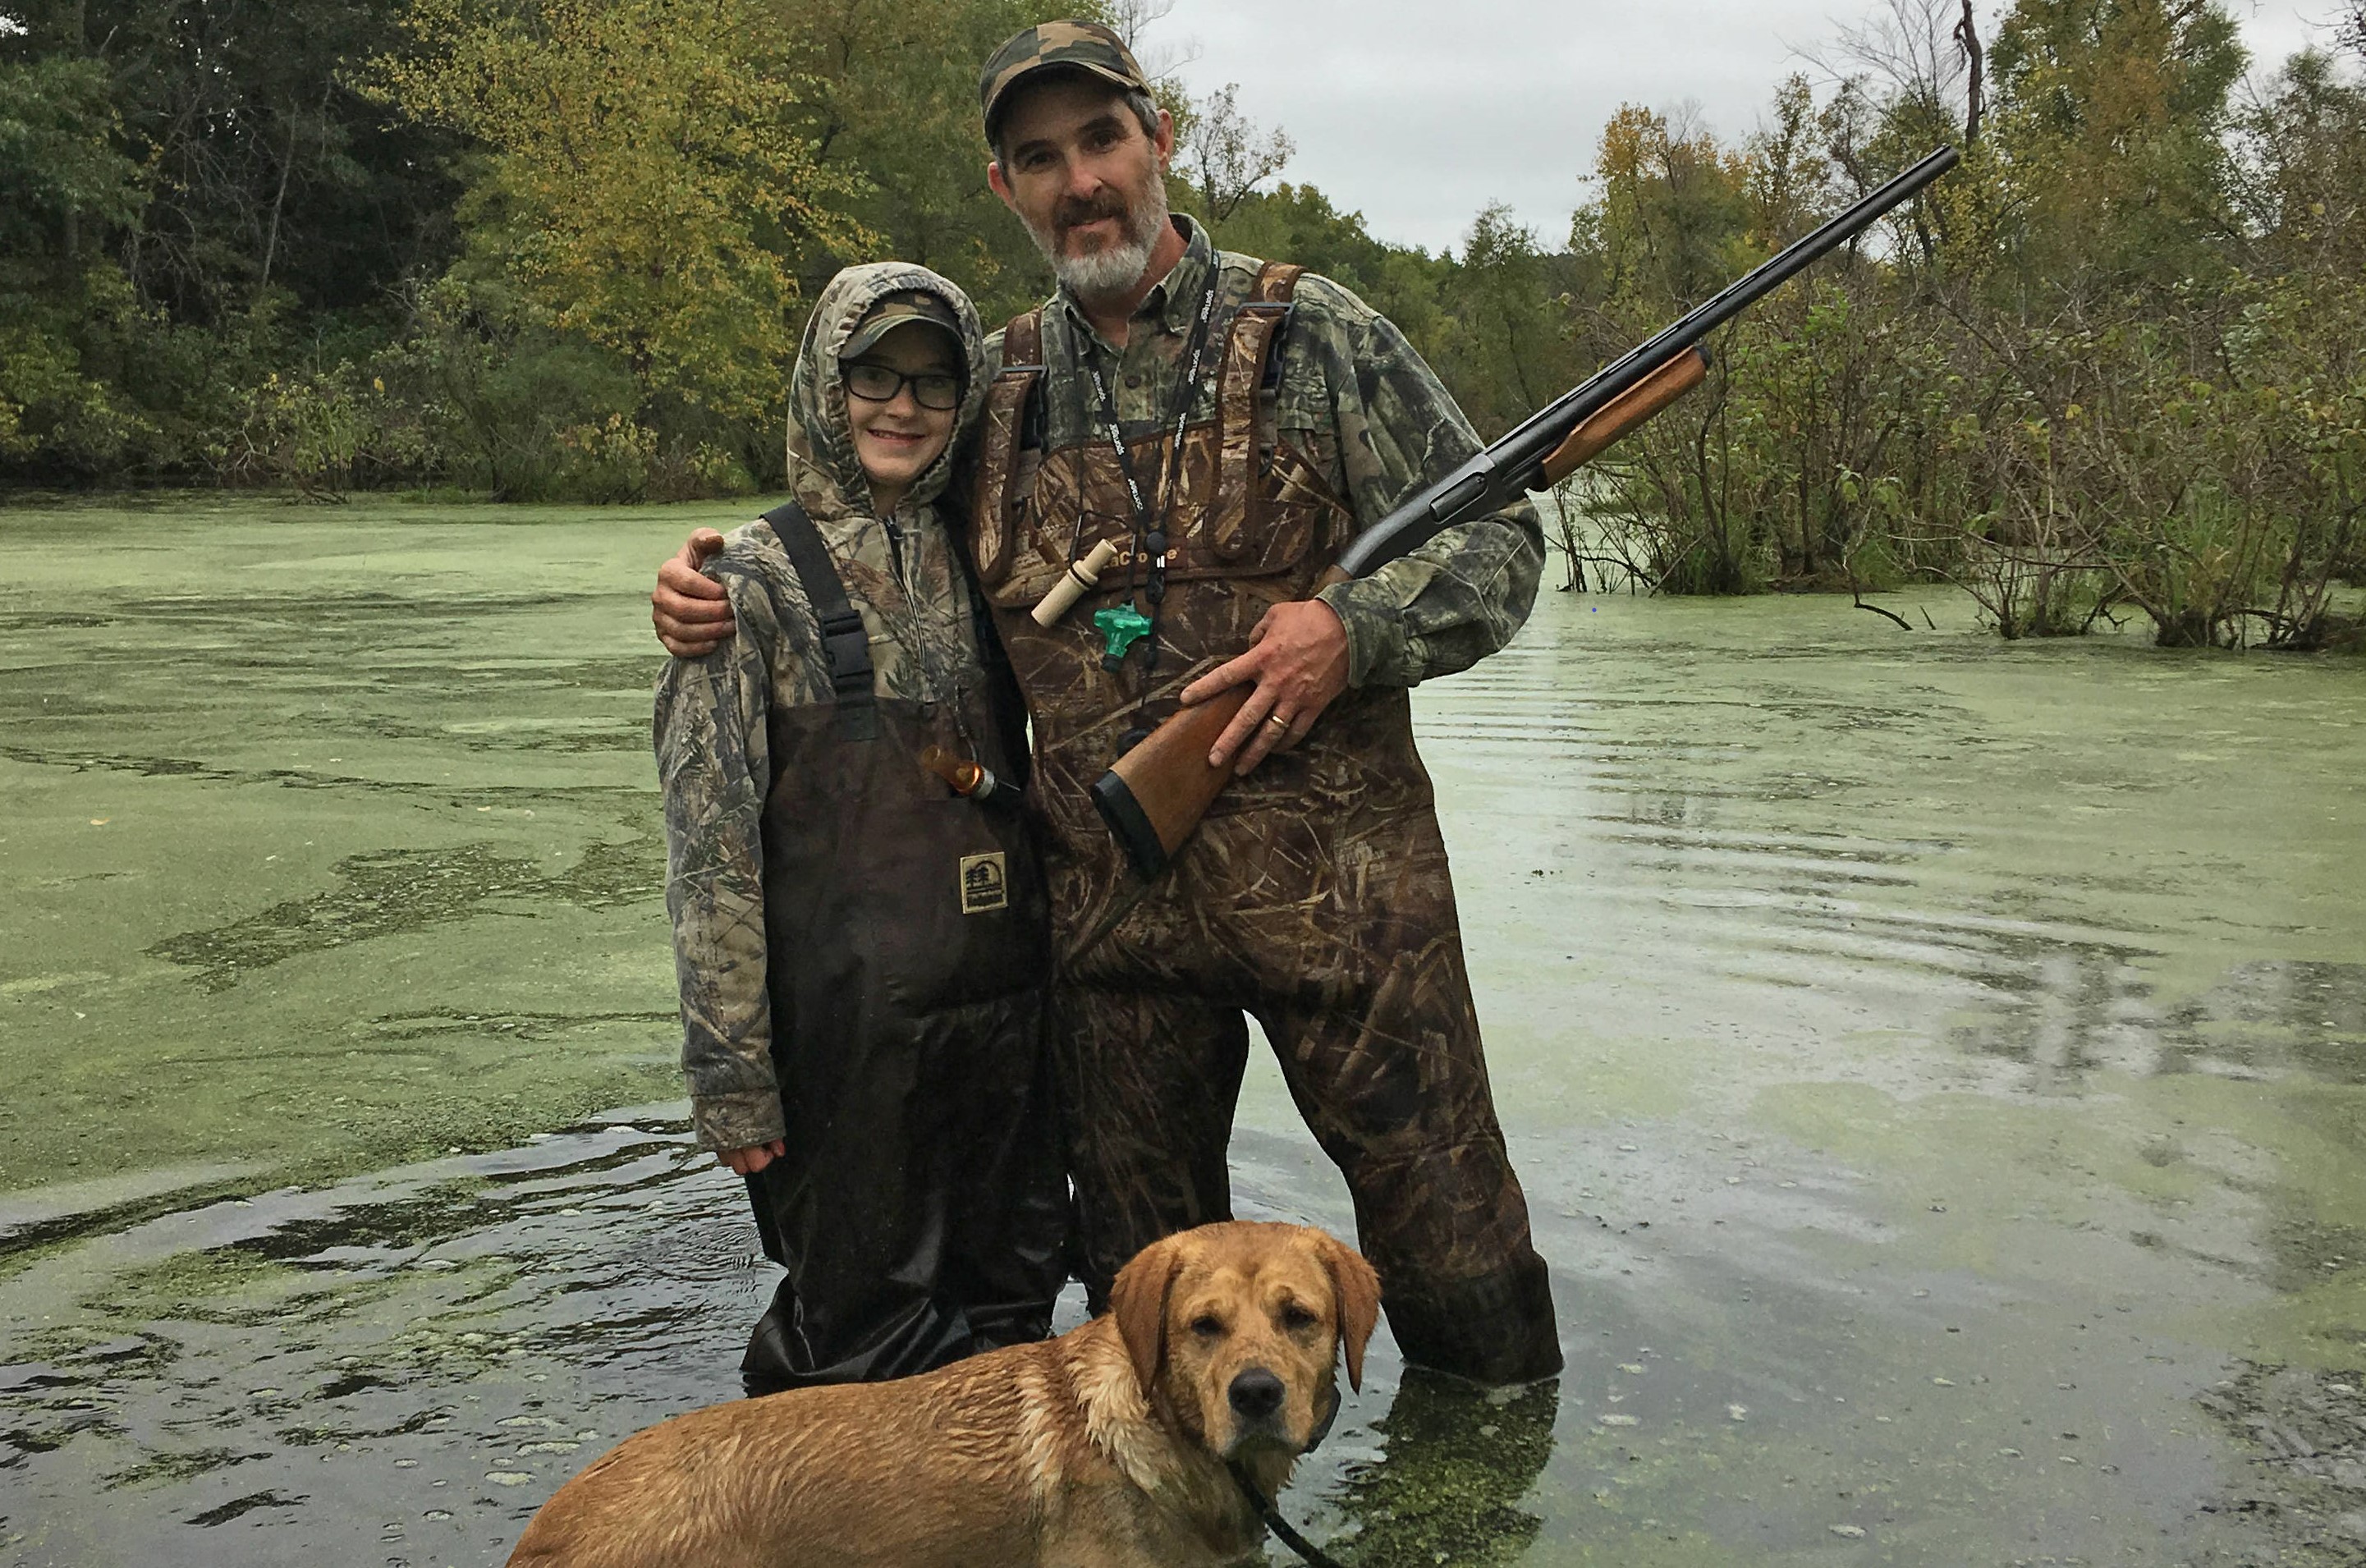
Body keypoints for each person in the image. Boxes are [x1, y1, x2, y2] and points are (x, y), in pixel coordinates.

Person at [655, 21, 1561, 1385]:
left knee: (1465, 1287)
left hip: (1355, 926)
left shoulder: (1312, 332)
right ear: (1002, 189)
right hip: (1113, 945)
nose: (1078, 180)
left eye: (1099, 140)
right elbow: (869, 504)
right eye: (1039, 156)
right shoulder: (993, 389)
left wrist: (1350, 631)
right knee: (1146, 1336)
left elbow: (1502, 543)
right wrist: (711, 582)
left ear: (1160, 140)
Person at [655, 262, 1065, 1396]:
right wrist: (732, 1073)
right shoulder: (746, 583)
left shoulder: (991, 558)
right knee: (854, 1354)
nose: (901, 405)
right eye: (872, 373)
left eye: (934, 383)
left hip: (1001, 1039)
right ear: (821, 385)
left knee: (1011, 1331)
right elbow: (709, 854)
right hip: (846, 1050)